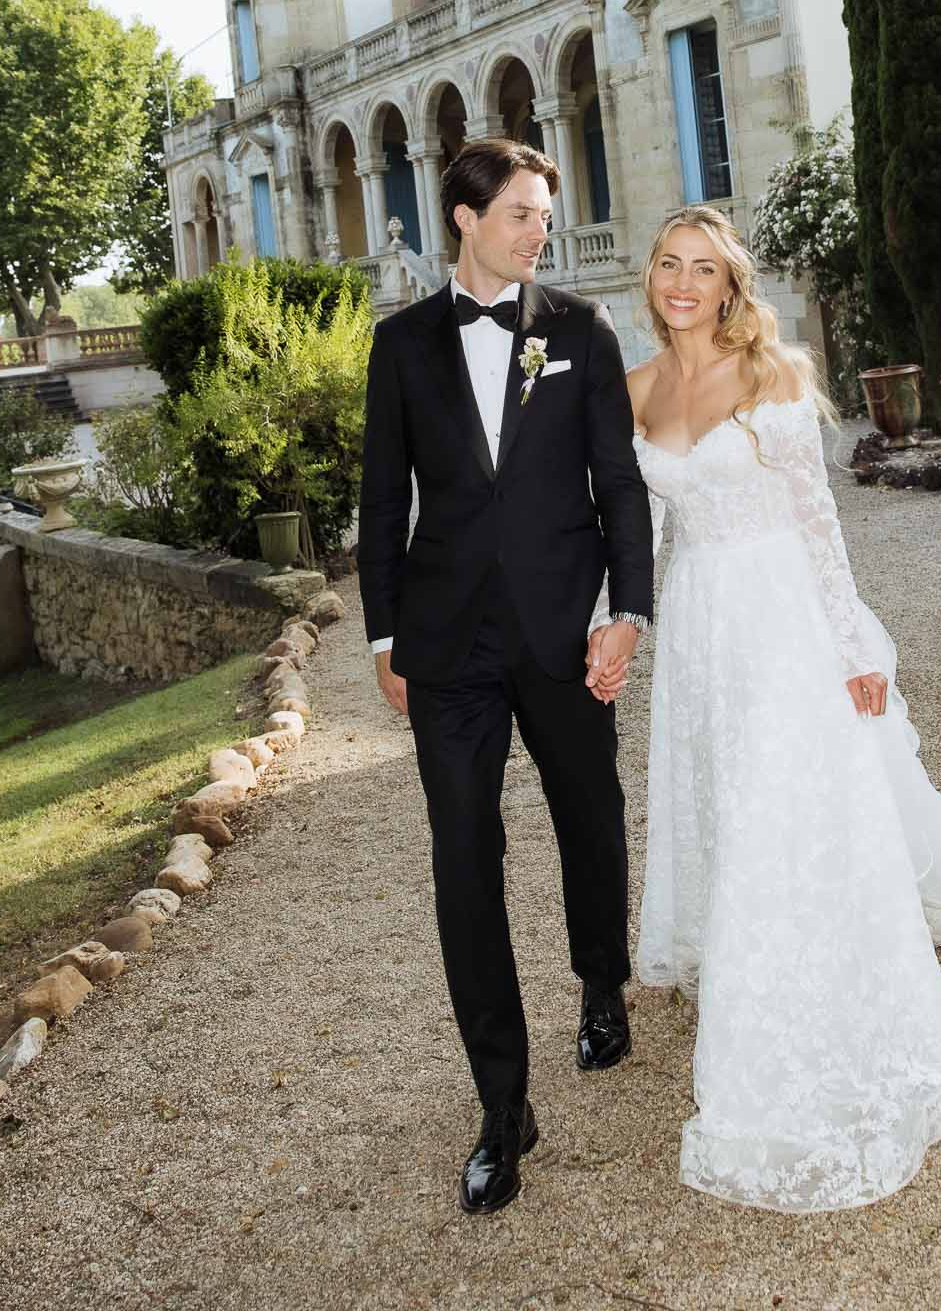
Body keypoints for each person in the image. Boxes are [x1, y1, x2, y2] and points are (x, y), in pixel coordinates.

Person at [620, 204, 941, 1214]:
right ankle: (752, 960)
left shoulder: (773, 372)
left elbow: (817, 520)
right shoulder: (637, 389)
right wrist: (605, 625)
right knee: (729, 796)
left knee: (784, 804)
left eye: (704, 267)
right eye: (670, 264)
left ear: (731, 282)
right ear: (651, 277)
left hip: (782, 612)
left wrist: (849, 644)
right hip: (701, 626)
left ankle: (797, 995)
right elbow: (642, 523)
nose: (685, 282)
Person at [358, 138, 653, 1215]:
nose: (540, 231)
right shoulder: (400, 345)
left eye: (543, 214)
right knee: (463, 861)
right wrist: (383, 636)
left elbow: (617, 482)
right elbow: (383, 501)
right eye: (523, 213)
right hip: (445, 649)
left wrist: (626, 612)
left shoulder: (582, 328)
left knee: (590, 813)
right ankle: (501, 1102)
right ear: (467, 219)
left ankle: (600, 983)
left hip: (563, 629)